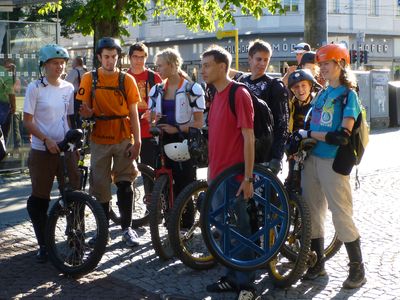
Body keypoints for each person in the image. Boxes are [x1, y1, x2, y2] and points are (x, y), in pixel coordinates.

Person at [295, 43, 367, 289]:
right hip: (311, 159)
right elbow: (313, 125)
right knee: (312, 214)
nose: (322, 68)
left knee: (341, 215)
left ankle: (357, 269)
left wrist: (310, 133)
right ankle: (317, 264)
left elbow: (341, 136)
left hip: (333, 162)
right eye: (321, 64)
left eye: (327, 63)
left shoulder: (349, 95)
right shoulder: (323, 93)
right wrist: (301, 137)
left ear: (341, 64)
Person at [201, 45, 257, 300]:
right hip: (217, 177)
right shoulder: (215, 94)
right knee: (223, 230)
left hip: (234, 179)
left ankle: (247, 285)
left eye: (207, 65)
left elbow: (249, 138)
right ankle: (230, 277)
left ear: (222, 67)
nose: (202, 70)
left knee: (241, 230)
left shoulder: (239, 94)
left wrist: (247, 178)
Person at [77, 37, 142, 247]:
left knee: (125, 182)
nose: (110, 61)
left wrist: (138, 141)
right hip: (99, 138)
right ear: (99, 57)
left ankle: (127, 229)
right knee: (100, 187)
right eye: (106, 57)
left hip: (123, 137)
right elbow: (83, 111)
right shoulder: (89, 78)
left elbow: (133, 113)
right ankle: (102, 232)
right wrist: (87, 113)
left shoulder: (126, 80)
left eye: (113, 57)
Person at [23, 44, 80, 263]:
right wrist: (45, 139)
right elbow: (28, 121)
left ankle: (75, 241)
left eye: (62, 63)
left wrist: (71, 142)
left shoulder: (68, 88)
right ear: (44, 65)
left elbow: (67, 118)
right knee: (40, 199)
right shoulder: (35, 88)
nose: (59, 67)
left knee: (73, 194)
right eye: (54, 63)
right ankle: (44, 244)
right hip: (42, 151)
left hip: (65, 149)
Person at [148, 48, 205, 201]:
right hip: (162, 140)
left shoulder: (192, 89)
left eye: (160, 65)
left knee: (184, 184)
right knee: (164, 182)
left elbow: (199, 122)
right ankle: (168, 218)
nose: (157, 69)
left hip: (184, 141)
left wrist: (176, 128)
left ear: (173, 65)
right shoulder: (156, 90)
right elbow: (151, 117)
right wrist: (153, 119)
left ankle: (186, 222)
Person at [231, 39, 289, 174]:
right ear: (250, 59)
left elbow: (283, 123)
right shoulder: (240, 82)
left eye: (266, 60)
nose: (262, 63)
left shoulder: (275, 86)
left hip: (265, 153)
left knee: (262, 194)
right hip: (240, 149)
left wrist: (277, 156)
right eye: (259, 59)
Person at [127, 42, 162, 168]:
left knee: (150, 171)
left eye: (142, 57)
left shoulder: (154, 77)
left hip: (149, 130)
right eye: (135, 57)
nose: (138, 60)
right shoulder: (123, 77)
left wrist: (154, 112)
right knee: (127, 172)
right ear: (130, 57)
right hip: (128, 131)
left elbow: (162, 101)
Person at [285, 68, 319, 191]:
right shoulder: (291, 105)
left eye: (303, 85)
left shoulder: (318, 105)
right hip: (294, 152)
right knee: (292, 183)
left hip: (313, 151)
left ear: (311, 86)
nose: (300, 90)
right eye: (296, 87)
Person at [65, 56, 86, 128]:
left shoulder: (74, 72)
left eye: (73, 62)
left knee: (73, 117)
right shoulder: (86, 71)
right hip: (85, 97)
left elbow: (66, 83)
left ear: (76, 63)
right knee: (81, 117)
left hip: (75, 97)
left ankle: (75, 133)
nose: (72, 64)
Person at [0, 59, 17, 146]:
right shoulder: (6, 74)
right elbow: (11, 93)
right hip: (3, 106)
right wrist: (14, 107)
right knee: (4, 133)